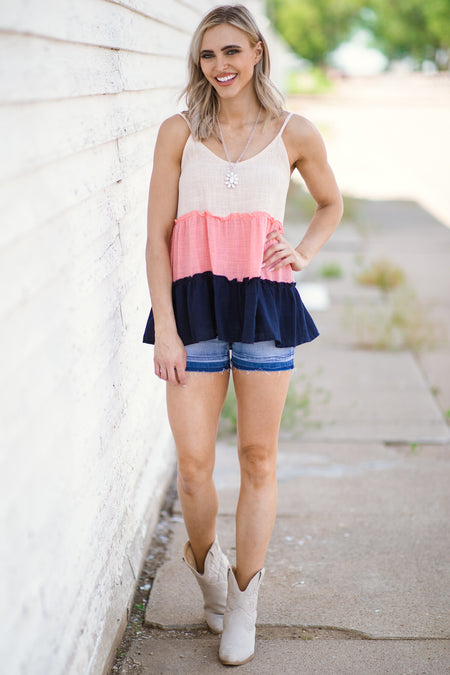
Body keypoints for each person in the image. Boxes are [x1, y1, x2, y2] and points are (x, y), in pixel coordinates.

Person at [143, 4, 343, 666]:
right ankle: (206, 570)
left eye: (231, 51)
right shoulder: (179, 130)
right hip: (192, 311)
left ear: (257, 52)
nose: (219, 66)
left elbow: (330, 201)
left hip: (263, 305)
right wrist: (165, 329)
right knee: (195, 467)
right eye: (207, 55)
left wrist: (304, 251)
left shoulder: (295, 132)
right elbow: (157, 237)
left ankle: (245, 600)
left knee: (259, 457)